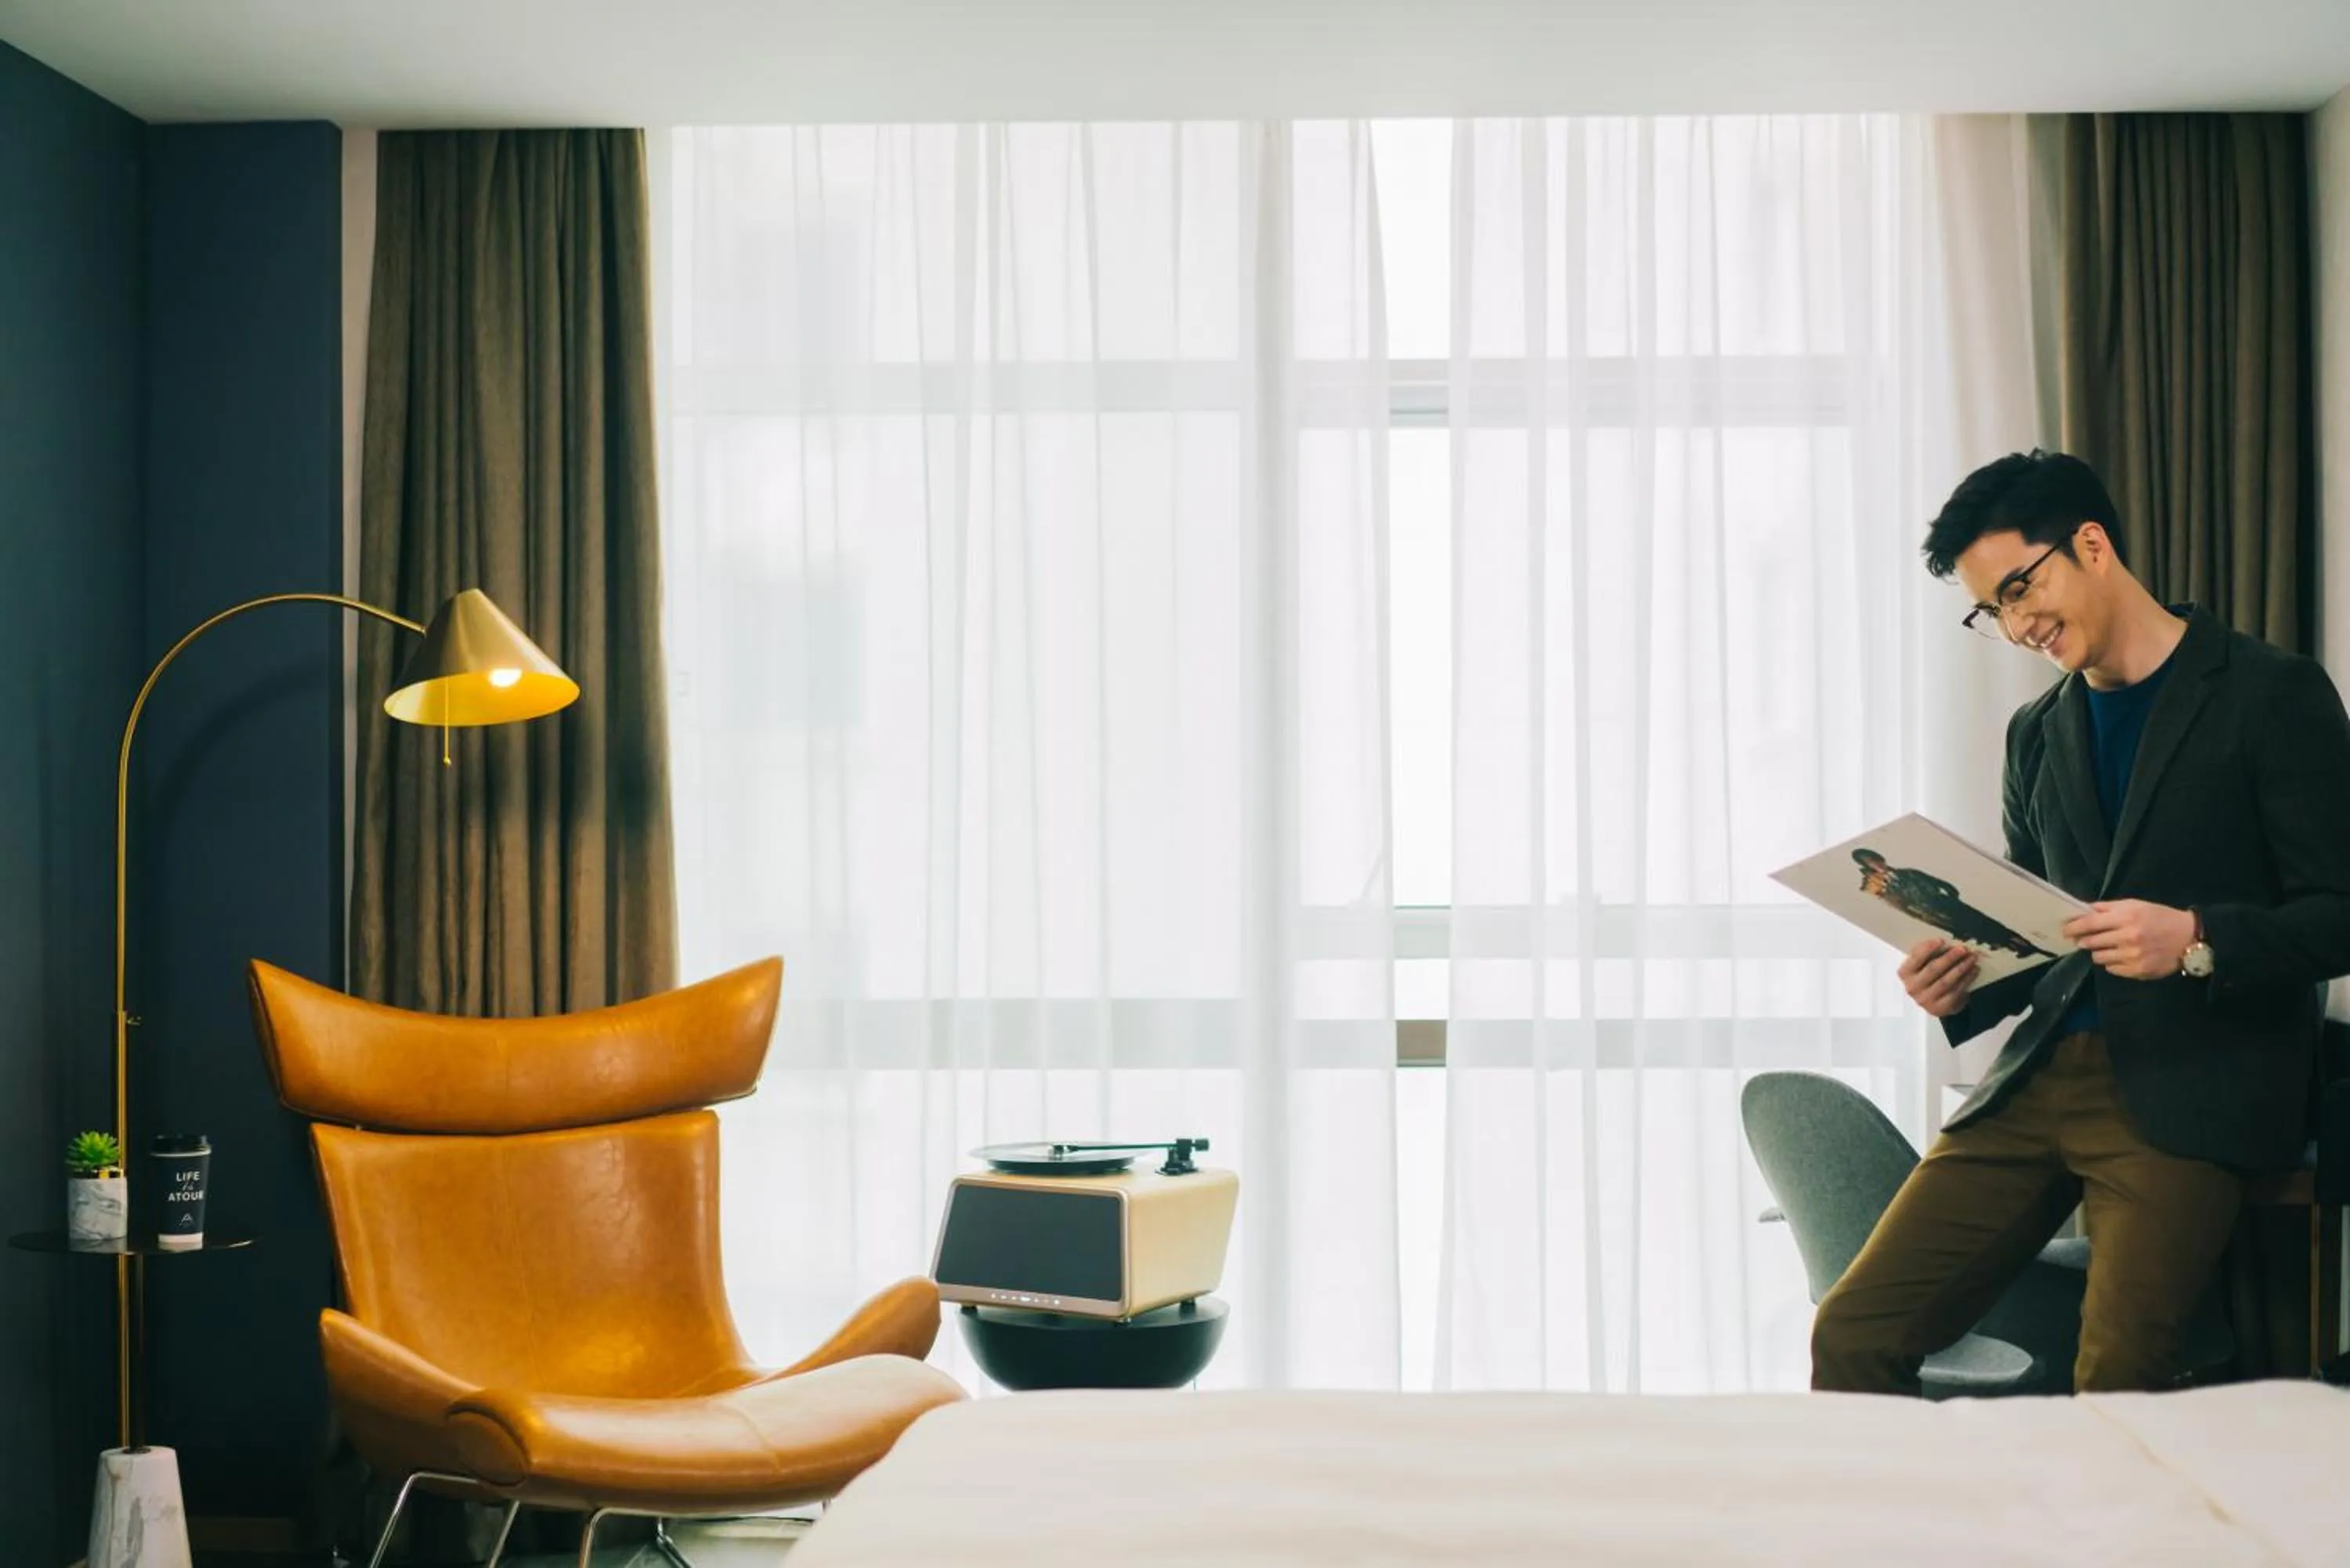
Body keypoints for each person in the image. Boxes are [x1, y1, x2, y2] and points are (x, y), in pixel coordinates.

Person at [1811, 450, 2350, 1395]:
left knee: (2116, 1385)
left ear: (2091, 544)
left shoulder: (2273, 693)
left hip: (2193, 1089)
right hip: (2034, 1082)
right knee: (1852, 1331)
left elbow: (2341, 914)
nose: (2017, 625)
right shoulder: (2038, 732)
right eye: (1993, 609)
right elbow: (2046, 934)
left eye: (2021, 587)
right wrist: (1962, 982)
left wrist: (2195, 938)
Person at [1852, 847, 2053, 961]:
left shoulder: (1908, 872)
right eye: (1870, 864)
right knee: (1980, 934)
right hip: (1934, 914)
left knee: (1989, 924)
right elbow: (1906, 909)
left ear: (1881, 858)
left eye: (1876, 860)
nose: (1876, 865)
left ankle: (2029, 946)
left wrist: (1950, 896)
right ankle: (2016, 948)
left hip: (1948, 905)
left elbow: (1940, 883)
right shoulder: (1887, 890)